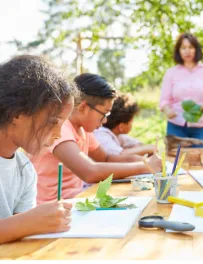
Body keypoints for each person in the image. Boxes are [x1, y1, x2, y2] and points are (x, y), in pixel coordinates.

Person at [31, 73, 161, 204]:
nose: (105, 121)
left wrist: (144, 161)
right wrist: (146, 167)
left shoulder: (83, 129)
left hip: (76, 201)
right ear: (83, 107)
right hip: (51, 209)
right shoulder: (60, 128)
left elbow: (107, 158)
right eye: (104, 113)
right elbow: (89, 172)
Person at [0, 55, 77, 243]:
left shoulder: (25, 170)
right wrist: (28, 222)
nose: (58, 134)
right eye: (53, 121)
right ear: (17, 113)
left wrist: (35, 222)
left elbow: (18, 240)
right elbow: (21, 226)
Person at [159, 32, 203, 145]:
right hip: (176, 126)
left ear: (196, 49)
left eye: (190, 47)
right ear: (178, 51)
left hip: (201, 126)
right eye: (183, 48)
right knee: (176, 161)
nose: (187, 51)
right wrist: (167, 109)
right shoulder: (171, 73)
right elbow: (164, 100)